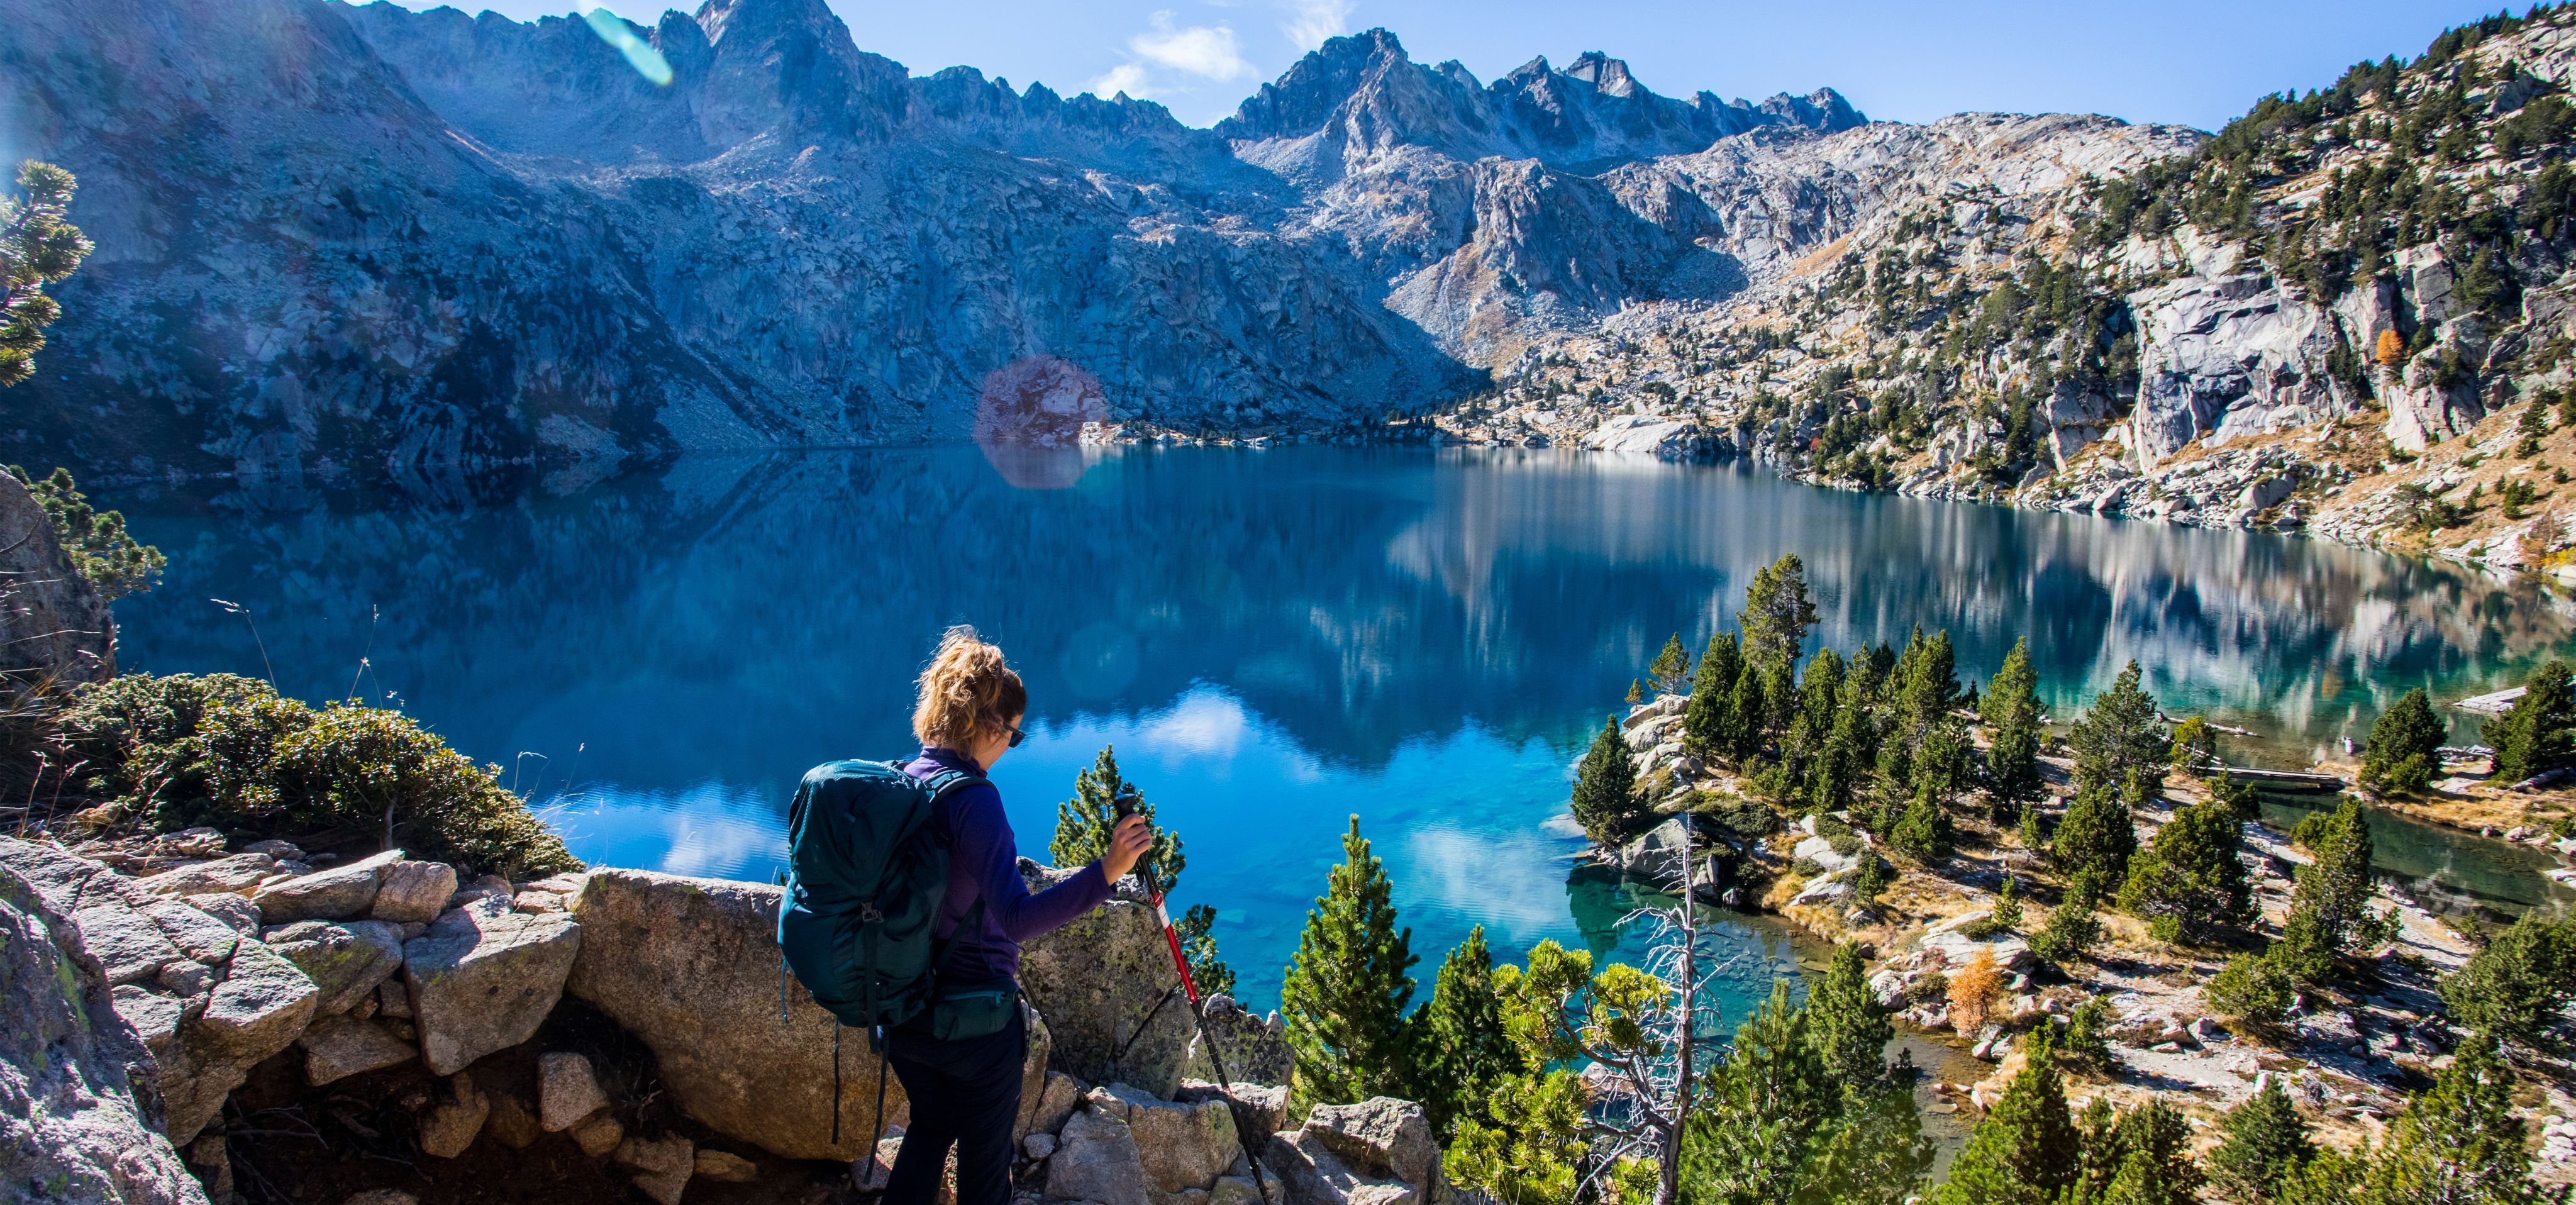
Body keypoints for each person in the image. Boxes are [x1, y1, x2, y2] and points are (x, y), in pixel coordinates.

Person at [882, 626, 1152, 1205]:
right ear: (987, 727)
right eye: (1013, 733)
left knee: (929, 1130)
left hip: (902, 1011)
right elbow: (1017, 920)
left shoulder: (903, 782)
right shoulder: (974, 801)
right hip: (975, 1022)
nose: (1010, 746)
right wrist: (1107, 870)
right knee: (984, 1168)